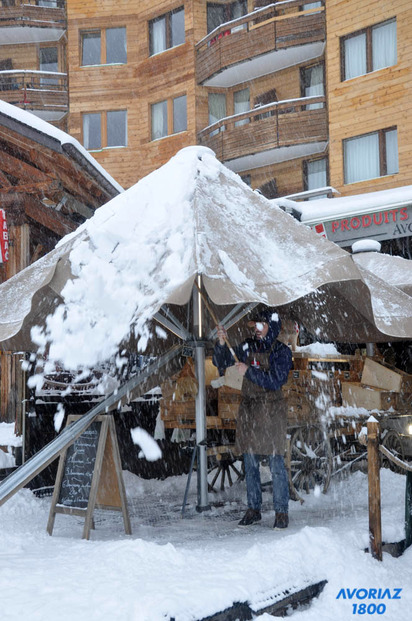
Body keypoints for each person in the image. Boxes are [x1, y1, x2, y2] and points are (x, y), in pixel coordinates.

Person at [213, 309, 292, 529]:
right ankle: (253, 509)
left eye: (261, 325)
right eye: (255, 325)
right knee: (250, 463)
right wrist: (221, 343)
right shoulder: (248, 346)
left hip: (272, 412)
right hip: (249, 412)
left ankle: (281, 512)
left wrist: (249, 371)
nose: (257, 329)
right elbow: (221, 361)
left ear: (271, 327)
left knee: (276, 464)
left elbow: (275, 380)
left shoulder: (282, 351)